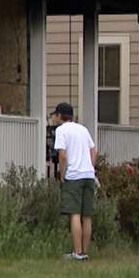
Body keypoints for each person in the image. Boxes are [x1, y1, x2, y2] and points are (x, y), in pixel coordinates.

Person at [52, 102, 97, 261]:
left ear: (59, 116)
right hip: (89, 175)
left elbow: (62, 156)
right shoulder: (83, 129)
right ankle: (85, 252)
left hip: (74, 176)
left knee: (75, 214)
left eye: (55, 115)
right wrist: (90, 166)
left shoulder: (61, 130)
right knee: (87, 215)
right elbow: (93, 150)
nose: (54, 118)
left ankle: (77, 253)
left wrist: (62, 174)